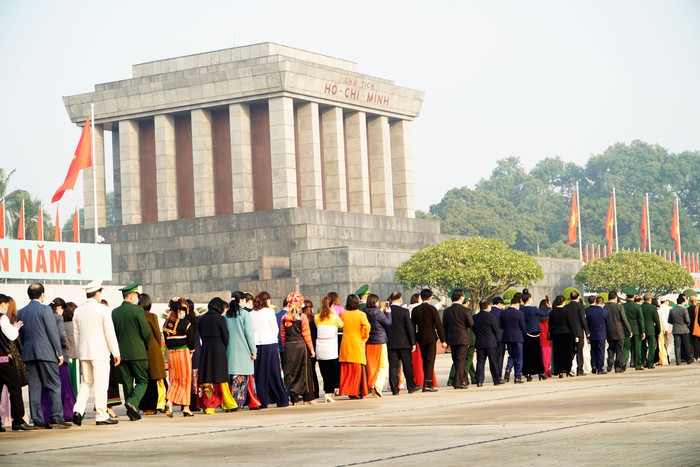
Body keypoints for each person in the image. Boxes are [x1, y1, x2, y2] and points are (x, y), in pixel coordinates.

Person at [17, 283, 70, 429]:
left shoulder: (21, 312)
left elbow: (20, 335)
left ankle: (38, 419)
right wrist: (59, 353)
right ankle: (56, 416)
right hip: (46, 354)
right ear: (42, 295)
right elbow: (53, 333)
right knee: (54, 384)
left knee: (34, 388)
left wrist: (26, 350)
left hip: (29, 354)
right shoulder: (45, 309)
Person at [71, 279, 121, 426]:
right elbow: (109, 333)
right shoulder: (103, 310)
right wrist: (116, 352)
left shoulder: (78, 311)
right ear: (98, 294)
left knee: (86, 383)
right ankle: (101, 415)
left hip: (84, 352)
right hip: (100, 353)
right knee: (101, 385)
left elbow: (76, 335)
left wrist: (80, 354)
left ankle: (78, 411)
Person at [111, 282, 150, 421]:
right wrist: (145, 345)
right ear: (133, 295)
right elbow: (145, 332)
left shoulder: (115, 312)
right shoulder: (138, 311)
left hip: (121, 353)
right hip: (137, 352)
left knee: (127, 383)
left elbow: (113, 333)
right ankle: (133, 402)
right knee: (143, 381)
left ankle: (132, 413)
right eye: (136, 295)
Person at [0, 294, 34, 431]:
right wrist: (15, 328)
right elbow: (12, 336)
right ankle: (18, 420)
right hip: (4, 361)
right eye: (6, 305)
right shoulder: (2, 318)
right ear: (2, 304)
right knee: (15, 389)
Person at [250, 292, 289, 408]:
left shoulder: (251, 313)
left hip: (256, 344)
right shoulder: (269, 312)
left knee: (259, 373)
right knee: (274, 372)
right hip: (269, 343)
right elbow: (274, 328)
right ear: (266, 300)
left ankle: (262, 400)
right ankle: (281, 399)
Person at [197, 297, 236, 414]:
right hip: (218, 348)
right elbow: (226, 336)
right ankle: (228, 403)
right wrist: (224, 346)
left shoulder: (202, 318)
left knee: (208, 377)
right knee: (221, 377)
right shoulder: (220, 319)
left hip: (206, 349)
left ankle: (209, 406)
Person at [41, 297, 76, 422]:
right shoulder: (58, 317)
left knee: (46, 386)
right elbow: (62, 335)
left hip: (46, 355)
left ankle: (45, 413)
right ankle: (67, 412)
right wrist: (66, 346)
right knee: (64, 385)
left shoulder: (45, 316)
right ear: (60, 308)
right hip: (59, 356)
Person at [225, 292, 260, 410]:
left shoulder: (226, 315)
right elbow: (249, 334)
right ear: (241, 301)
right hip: (244, 351)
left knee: (233, 379)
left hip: (230, 352)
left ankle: (231, 403)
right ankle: (239, 403)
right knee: (243, 380)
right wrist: (253, 350)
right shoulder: (244, 314)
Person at [280, 292, 316, 405]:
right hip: (301, 346)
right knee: (305, 372)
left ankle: (294, 399)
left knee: (291, 373)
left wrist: (286, 347)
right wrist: (311, 349)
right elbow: (307, 335)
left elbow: (282, 335)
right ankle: (308, 397)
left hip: (289, 347)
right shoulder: (302, 317)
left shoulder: (284, 318)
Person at [163, 297, 195, 418]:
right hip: (183, 353)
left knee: (173, 379)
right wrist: (191, 350)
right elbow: (191, 341)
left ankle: (169, 402)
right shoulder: (186, 324)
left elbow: (166, 342)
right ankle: (186, 407)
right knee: (185, 379)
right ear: (181, 311)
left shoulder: (167, 325)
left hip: (171, 354)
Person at [411, 289, 446, 392]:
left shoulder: (415, 310)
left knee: (424, 360)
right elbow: (438, 325)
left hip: (420, 338)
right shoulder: (432, 309)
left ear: (421, 297)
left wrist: (413, 341)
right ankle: (428, 384)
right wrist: (443, 340)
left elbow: (413, 326)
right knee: (430, 361)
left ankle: (425, 383)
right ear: (430, 297)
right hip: (431, 338)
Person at [138, 293, 167, 415]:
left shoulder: (136, 316)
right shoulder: (151, 316)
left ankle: (145, 406)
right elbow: (157, 334)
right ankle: (157, 404)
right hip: (153, 350)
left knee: (144, 380)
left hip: (140, 350)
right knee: (156, 379)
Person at [338, 294, 371, 399]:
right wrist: (364, 338)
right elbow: (367, 326)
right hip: (357, 344)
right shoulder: (361, 314)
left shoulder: (344, 314)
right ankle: (356, 391)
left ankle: (349, 391)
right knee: (357, 370)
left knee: (347, 371)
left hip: (346, 344)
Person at [386, 291, 418, 395]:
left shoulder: (386, 311)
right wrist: (413, 342)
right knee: (407, 365)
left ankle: (395, 389)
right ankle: (411, 386)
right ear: (399, 298)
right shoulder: (404, 311)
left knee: (393, 366)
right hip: (404, 343)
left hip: (391, 343)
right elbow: (409, 328)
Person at [442, 289, 474, 389]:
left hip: (452, 338)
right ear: (461, 297)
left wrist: (445, 340)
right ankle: (458, 382)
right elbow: (471, 323)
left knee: (456, 360)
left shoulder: (447, 311)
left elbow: (445, 326)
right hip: (462, 338)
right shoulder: (465, 310)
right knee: (461, 360)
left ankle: (458, 380)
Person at [314, 296, 343, 403]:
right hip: (331, 348)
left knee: (324, 372)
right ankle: (328, 392)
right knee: (332, 372)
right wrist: (334, 312)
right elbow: (341, 324)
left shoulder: (317, 317)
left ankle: (327, 392)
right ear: (331, 305)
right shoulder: (333, 317)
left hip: (320, 347)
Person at [363, 293, 392, 397]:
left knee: (371, 365)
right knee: (383, 365)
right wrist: (388, 313)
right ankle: (377, 386)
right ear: (375, 302)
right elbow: (388, 323)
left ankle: (371, 385)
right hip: (379, 341)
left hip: (368, 342)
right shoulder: (377, 312)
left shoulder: (364, 311)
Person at [472, 298, 502, 387]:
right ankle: (496, 380)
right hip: (491, 342)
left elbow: (474, 329)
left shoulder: (475, 317)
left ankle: (479, 381)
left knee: (480, 362)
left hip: (480, 342)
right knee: (493, 362)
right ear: (487, 306)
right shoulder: (491, 316)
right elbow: (496, 329)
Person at [520, 290, 549, 381]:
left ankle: (527, 372)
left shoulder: (520, 309)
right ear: (529, 299)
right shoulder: (533, 309)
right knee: (537, 354)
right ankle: (540, 371)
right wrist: (549, 308)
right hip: (535, 333)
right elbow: (544, 313)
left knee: (527, 354)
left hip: (525, 333)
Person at [500, 292, 526, 384]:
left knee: (511, 356)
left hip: (507, 337)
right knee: (519, 357)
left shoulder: (503, 313)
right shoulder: (520, 313)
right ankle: (517, 376)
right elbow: (523, 326)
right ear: (518, 303)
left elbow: (501, 326)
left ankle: (508, 369)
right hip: (518, 337)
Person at [604, 291, 631, 373]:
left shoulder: (604, 307)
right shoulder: (619, 307)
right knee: (619, 350)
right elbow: (624, 319)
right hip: (619, 331)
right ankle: (617, 367)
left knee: (611, 348)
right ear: (615, 298)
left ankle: (610, 361)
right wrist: (629, 330)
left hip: (609, 331)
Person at [564, 290, 589, 376]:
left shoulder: (566, 307)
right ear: (578, 297)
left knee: (570, 351)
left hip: (569, 332)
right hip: (579, 332)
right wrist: (587, 331)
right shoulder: (580, 306)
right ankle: (580, 370)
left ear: (570, 298)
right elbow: (583, 320)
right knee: (579, 352)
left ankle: (567, 369)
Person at [548, 295, 574, 378]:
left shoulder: (552, 312)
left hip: (556, 334)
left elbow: (550, 325)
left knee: (558, 353)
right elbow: (570, 323)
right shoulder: (566, 311)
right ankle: (566, 370)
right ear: (563, 302)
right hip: (566, 334)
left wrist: (551, 335)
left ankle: (558, 370)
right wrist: (574, 334)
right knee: (566, 353)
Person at [622, 288, 646, 371]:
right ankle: (637, 365)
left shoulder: (623, 306)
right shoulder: (637, 306)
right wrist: (643, 331)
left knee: (626, 347)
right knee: (637, 347)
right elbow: (641, 319)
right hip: (636, 330)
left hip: (626, 330)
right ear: (634, 296)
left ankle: (623, 363)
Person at [585, 296, 608, 374]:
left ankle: (594, 365)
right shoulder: (604, 312)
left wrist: (587, 332)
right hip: (601, 334)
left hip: (592, 334)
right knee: (601, 351)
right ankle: (600, 367)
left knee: (593, 350)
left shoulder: (588, 311)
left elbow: (586, 323)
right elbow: (607, 324)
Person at [302, 299, 320, 399]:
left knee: (306, 371)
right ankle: (316, 391)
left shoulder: (302, 319)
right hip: (314, 346)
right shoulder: (314, 319)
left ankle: (308, 391)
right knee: (313, 370)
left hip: (305, 347)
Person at [669, 295, 693, 365]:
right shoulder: (684, 310)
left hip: (676, 329)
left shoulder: (672, 310)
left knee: (677, 345)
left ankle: (678, 360)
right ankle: (689, 359)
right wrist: (687, 324)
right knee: (687, 345)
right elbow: (688, 320)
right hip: (684, 329)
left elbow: (669, 320)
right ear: (683, 302)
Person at [640, 293, 661, 369]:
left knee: (643, 346)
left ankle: (643, 361)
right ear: (650, 299)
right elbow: (657, 320)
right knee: (652, 346)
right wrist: (659, 330)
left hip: (642, 330)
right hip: (651, 330)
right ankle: (650, 362)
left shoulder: (640, 307)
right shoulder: (653, 308)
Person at [62, 302, 79, 395]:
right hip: (74, 356)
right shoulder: (74, 325)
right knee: (76, 384)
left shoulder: (62, 324)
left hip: (64, 357)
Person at [537, 298, 553, 377]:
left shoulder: (537, 316)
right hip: (547, 336)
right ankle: (546, 370)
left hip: (540, 336)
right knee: (547, 355)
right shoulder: (549, 315)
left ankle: (543, 370)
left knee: (542, 354)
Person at [687, 296, 700, 361]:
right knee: (697, 342)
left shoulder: (687, 309)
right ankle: (697, 356)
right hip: (697, 327)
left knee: (690, 342)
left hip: (689, 327)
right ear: (696, 301)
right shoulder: (697, 308)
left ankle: (691, 355)